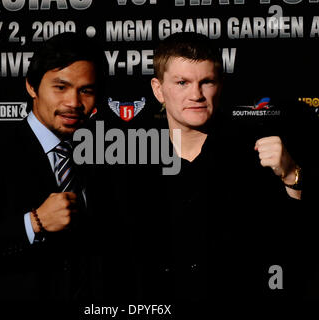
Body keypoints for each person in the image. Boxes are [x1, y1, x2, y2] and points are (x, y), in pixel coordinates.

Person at [99, 32, 306, 302]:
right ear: (158, 89)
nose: (196, 94)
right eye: (182, 82)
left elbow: (295, 242)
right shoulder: (127, 158)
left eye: (206, 82)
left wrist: (291, 176)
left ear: (220, 85)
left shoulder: (256, 151)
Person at [0, 32, 102, 300]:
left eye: (86, 90)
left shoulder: (102, 154)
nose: (74, 103)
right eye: (60, 87)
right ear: (32, 87)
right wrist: (34, 223)